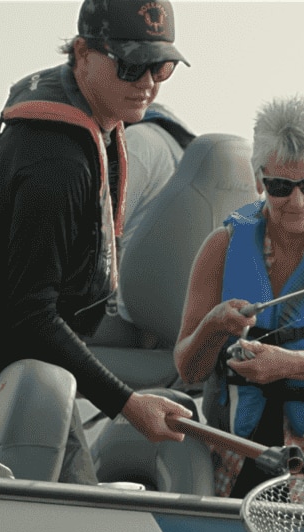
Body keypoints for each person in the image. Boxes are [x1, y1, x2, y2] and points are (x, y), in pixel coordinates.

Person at [0, 0, 194, 484]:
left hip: (27, 369)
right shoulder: (55, 163)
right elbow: (30, 313)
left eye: (161, 66)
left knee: (79, 507)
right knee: (46, 527)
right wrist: (128, 404)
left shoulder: (94, 118)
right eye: (132, 64)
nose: (148, 82)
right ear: (83, 53)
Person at [175, 95, 304, 505]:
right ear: (259, 181)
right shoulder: (220, 247)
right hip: (243, 455)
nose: (297, 202)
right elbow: (188, 367)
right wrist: (213, 326)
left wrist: (284, 365)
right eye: (280, 187)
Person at [92, 101, 195, 349]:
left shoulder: (137, 142)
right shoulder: (178, 151)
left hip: (122, 313)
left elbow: (93, 236)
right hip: (164, 315)